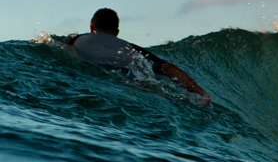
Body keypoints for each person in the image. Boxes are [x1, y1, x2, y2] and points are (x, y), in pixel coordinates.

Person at [67, 8, 210, 104]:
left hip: (93, 73)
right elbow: (167, 67)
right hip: (126, 77)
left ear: (91, 28)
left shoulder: (75, 39)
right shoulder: (130, 47)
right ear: (117, 32)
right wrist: (201, 92)